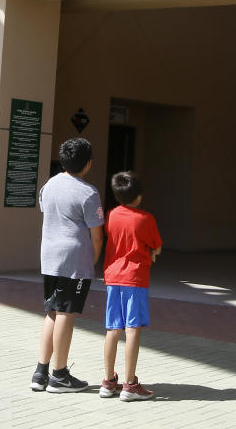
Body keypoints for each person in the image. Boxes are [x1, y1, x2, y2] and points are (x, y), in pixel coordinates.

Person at [30, 138, 105, 393]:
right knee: (65, 313)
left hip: (49, 257)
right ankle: (59, 375)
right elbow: (97, 235)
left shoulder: (48, 186)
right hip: (74, 260)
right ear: (87, 164)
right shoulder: (89, 193)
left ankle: (41, 372)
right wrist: (92, 260)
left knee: (52, 310)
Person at [99, 171, 162, 401]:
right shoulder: (146, 219)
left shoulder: (111, 215)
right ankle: (130, 383)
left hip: (112, 277)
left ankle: (108, 381)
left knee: (112, 329)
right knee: (132, 328)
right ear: (138, 196)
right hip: (135, 278)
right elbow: (156, 246)